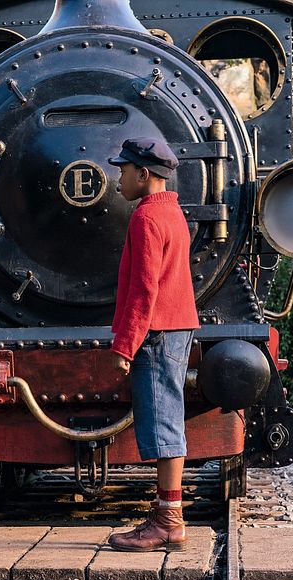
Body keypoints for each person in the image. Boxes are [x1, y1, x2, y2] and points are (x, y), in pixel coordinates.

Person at [105, 137, 200, 552]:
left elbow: (144, 291)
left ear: (144, 174)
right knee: (168, 419)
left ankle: (167, 522)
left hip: (157, 331)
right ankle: (167, 516)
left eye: (124, 170)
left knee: (163, 424)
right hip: (175, 327)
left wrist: (125, 344)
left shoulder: (146, 218)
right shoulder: (172, 212)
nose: (118, 178)